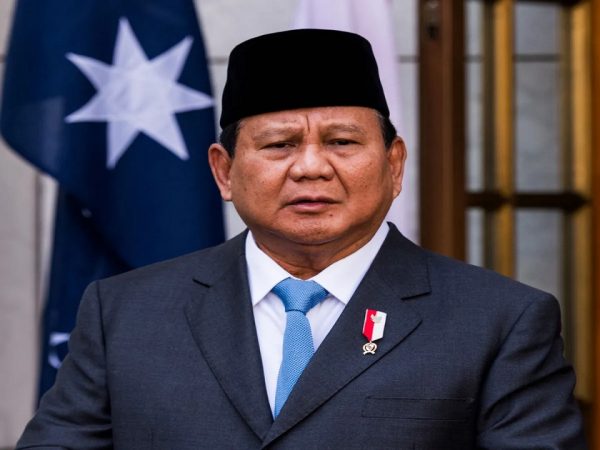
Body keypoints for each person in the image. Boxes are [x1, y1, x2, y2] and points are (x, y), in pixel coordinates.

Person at [17, 29, 586, 450]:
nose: (311, 168)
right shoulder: (124, 313)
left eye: (341, 142)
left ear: (394, 165)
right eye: (279, 145)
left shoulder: (500, 322)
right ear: (224, 171)